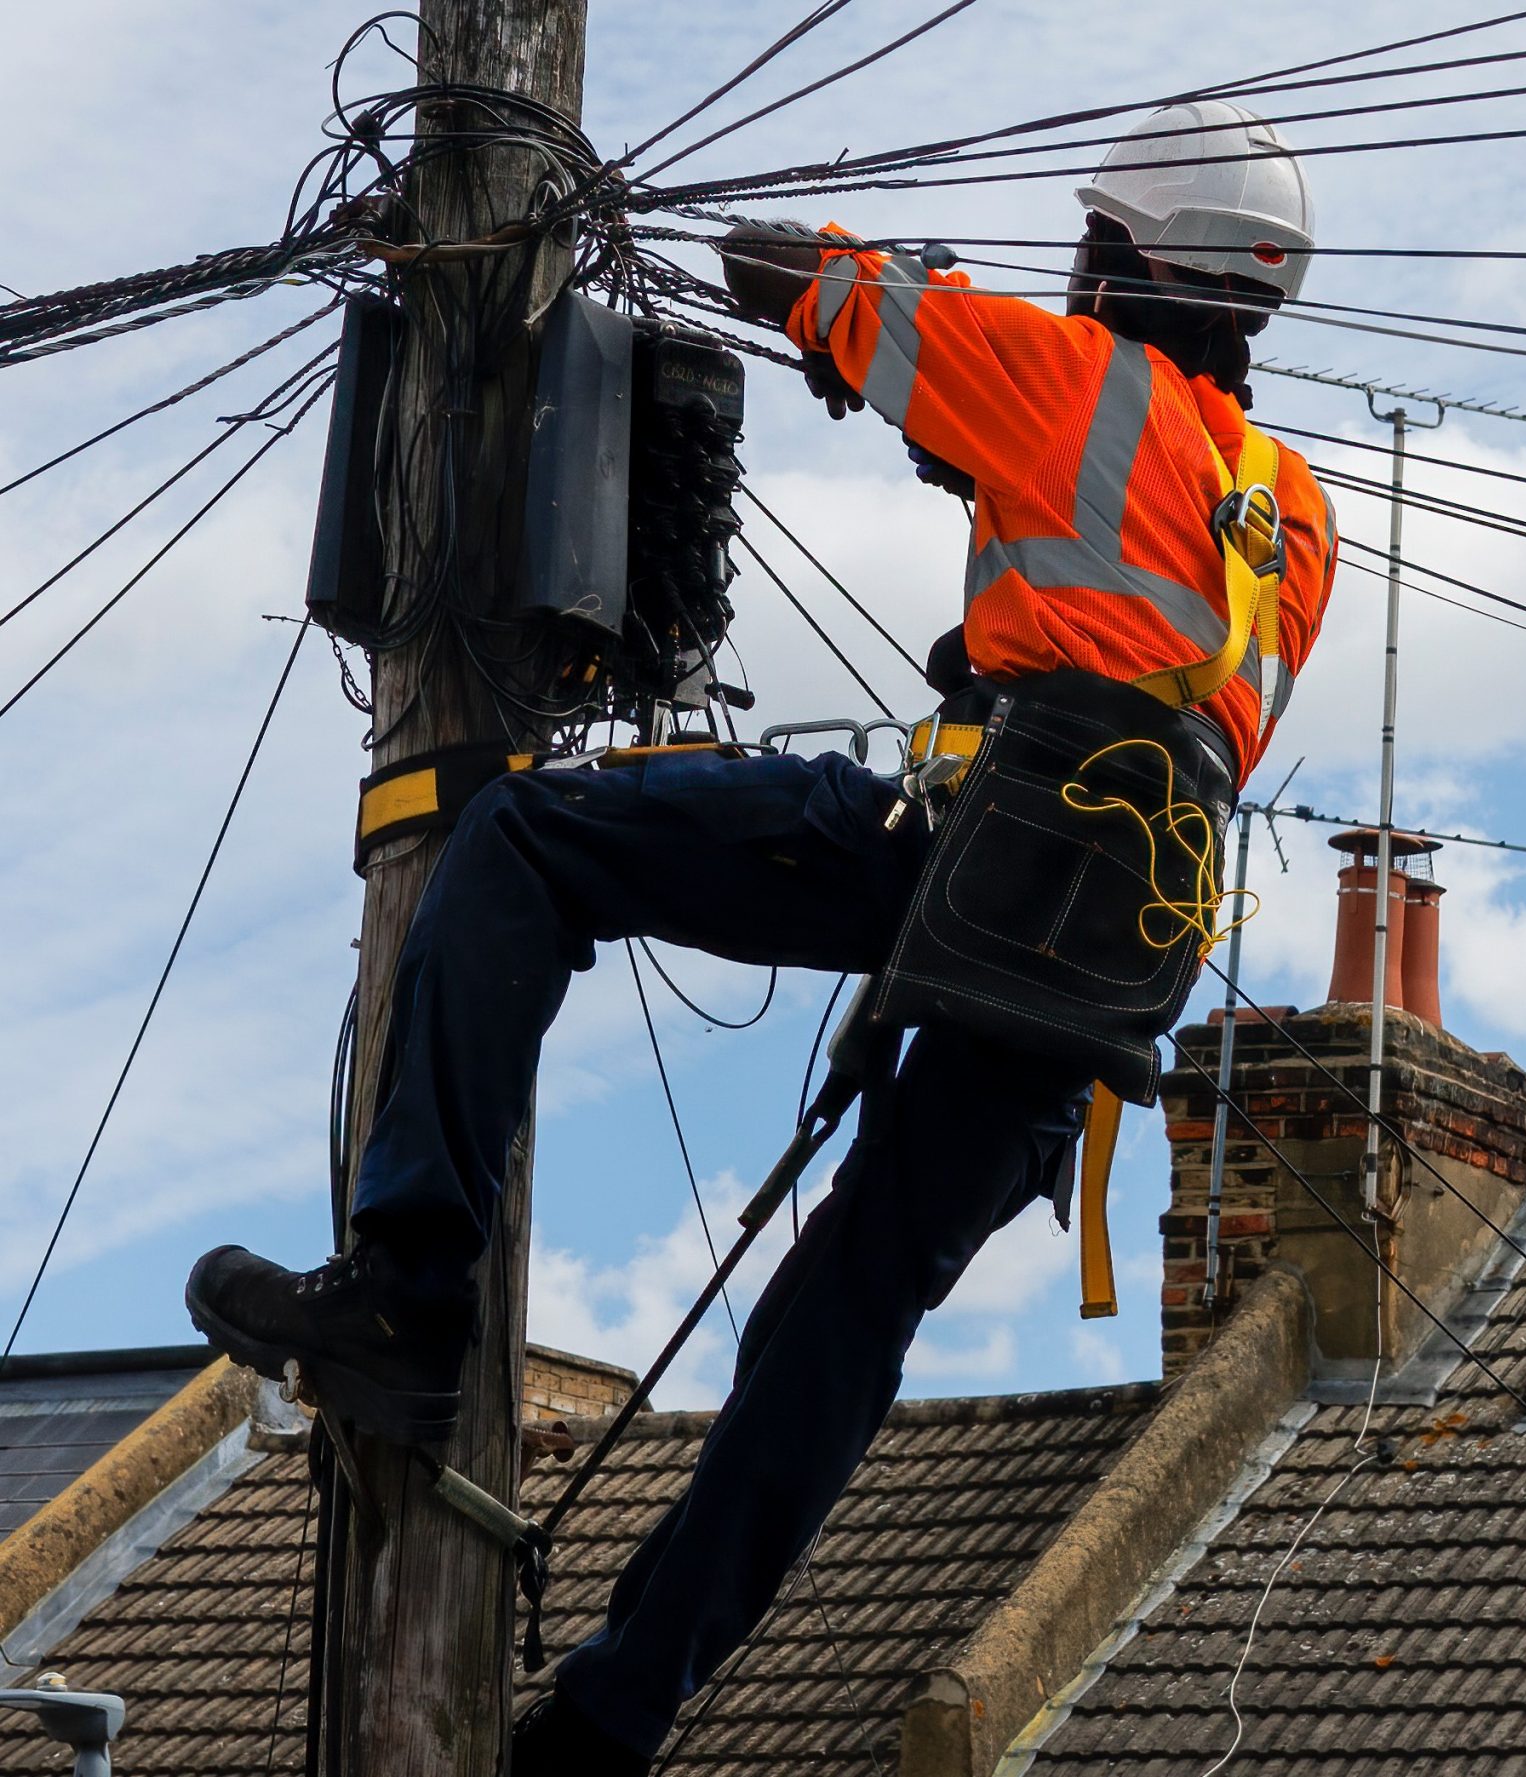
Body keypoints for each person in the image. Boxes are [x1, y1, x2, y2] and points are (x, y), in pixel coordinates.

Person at [183, 99, 1335, 1773]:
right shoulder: (1293, 520)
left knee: (525, 841)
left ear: (1125, 257)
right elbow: (1133, 623)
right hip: (1104, 970)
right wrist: (970, 457)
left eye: (1091, 246)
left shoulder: (1062, 377)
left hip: (956, 859)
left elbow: (784, 267)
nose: (1075, 272)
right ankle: (614, 1717)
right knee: (841, 1321)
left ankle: (410, 1296)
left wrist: (885, 296)